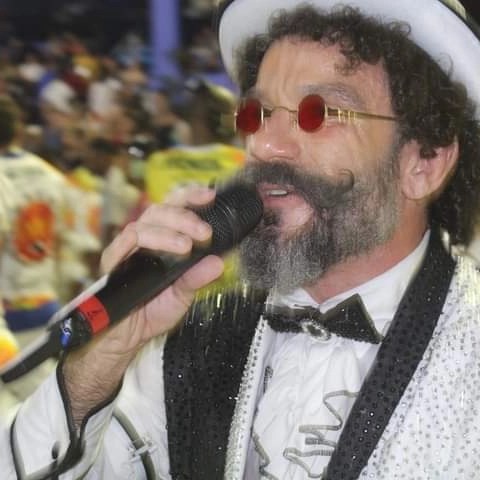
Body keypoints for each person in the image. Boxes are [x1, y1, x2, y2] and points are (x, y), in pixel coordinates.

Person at [2, 1, 480, 479]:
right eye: (257, 114)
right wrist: (96, 364)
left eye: (318, 113)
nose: (264, 145)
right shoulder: (195, 342)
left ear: (425, 162)